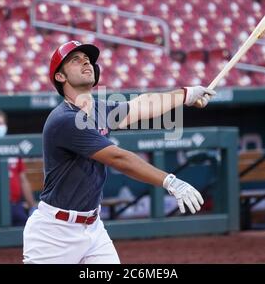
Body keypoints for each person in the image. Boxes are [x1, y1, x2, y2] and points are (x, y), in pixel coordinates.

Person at [23, 40, 216, 264]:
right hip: (54, 233)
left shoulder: (98, 108)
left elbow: (142, 105)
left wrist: (186, 95)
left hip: (93, 228)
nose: (86, 62)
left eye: (87, 59)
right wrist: (170, 182)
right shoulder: (65, 119)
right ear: (60, 77)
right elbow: (118, 158)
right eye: (75, 60)